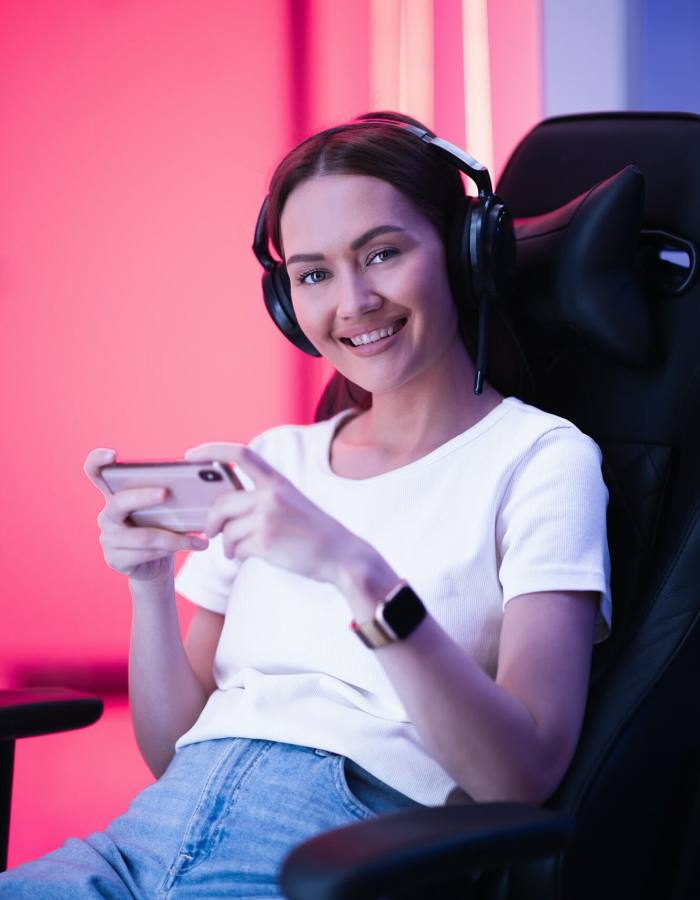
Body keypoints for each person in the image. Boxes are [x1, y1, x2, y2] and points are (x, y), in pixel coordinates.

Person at [0, 111, 612, 898]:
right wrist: (149, 582)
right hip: (140, 841)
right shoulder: (277, 463)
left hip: (337, 855)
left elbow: (520, 773)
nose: (353, 302)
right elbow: (172, 750)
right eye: (315, 274)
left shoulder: (540, 460)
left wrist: (351, 568)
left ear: (464, 255)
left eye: (383, 254)